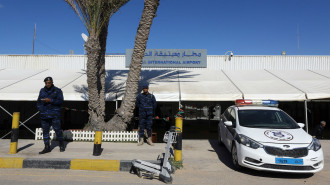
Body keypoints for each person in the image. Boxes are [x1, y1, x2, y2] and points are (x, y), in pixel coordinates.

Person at [37, 77, 65, 154]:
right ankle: (47, 147)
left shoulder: (58, 91)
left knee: (58, 130)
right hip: (44, 115)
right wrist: (40, 109)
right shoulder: (42, 91)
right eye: (46, 83)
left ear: (52, 82)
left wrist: (51, 100)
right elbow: (38, 101)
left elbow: (60, 101)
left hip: (54, 114)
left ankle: (61, 144)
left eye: (49, 83)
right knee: (45, 131)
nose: (47, 84)